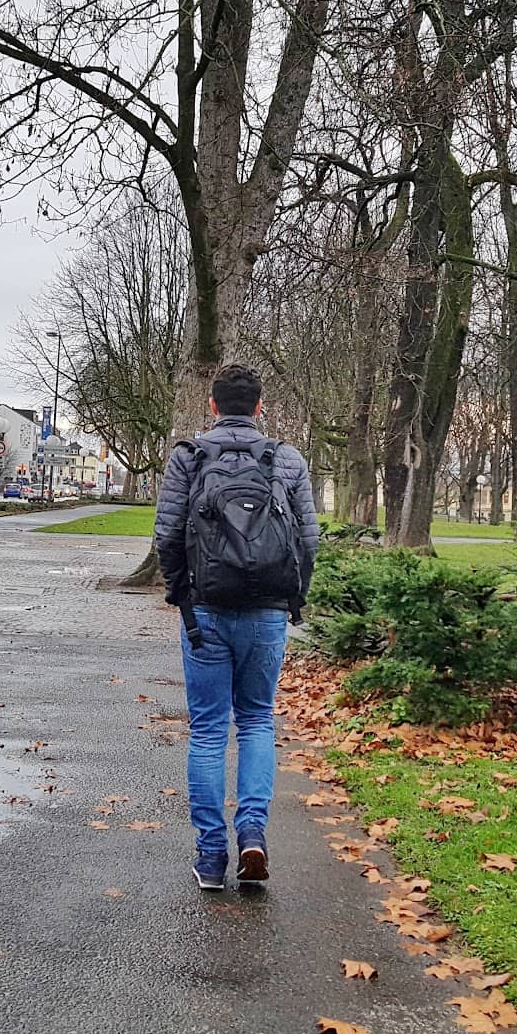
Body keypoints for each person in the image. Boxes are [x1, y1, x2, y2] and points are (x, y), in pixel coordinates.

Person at [154, 364, 319, 891]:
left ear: (212, 405)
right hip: (268, 611)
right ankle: (253, 832)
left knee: (206, 731)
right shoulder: (285, 458)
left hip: (206, 610)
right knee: (256, 722)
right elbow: (308, 539)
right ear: (260, 407)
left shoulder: (188, 457)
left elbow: (168, 534)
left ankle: (209, 857)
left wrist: (181, 592)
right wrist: (294, 597)